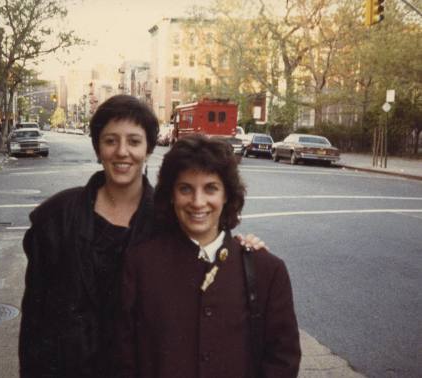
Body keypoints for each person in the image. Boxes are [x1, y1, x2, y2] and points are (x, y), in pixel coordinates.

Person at [19, 95, 266, 377]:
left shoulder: (173, 220)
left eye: (134, 141)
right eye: (111, 140)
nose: (122, 152)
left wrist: (245, 250)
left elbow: (212, 265)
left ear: (148, 148)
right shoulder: (56, 217)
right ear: (98, 148)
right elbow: (35, 323)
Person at [118, 135, 301, 378]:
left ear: (227, 195)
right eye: (185, 189)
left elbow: (283, 359)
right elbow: (122, 356)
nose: (198, 202)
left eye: (211, 188)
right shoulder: (140, 264)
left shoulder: (267, 269)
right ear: (171, 194)